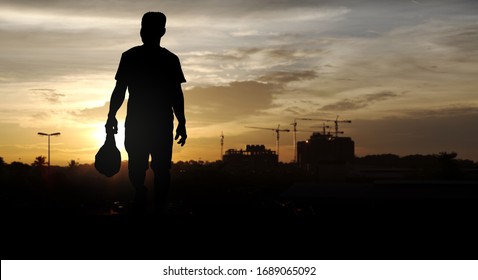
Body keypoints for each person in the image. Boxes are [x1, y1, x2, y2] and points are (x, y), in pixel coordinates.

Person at [105, 11, 187, 215]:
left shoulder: (170, 60)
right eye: (143, 28)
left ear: (162, 32)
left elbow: (177, 94)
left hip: (155, 122)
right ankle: (141, 193)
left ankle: (158, 205)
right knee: (136, 166)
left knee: (160, 168)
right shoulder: (130, 57)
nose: (144, 32)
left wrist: (182, 122)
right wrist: (111, 115)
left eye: (149, 28)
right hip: (139, 122)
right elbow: (119, 91)